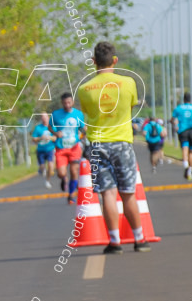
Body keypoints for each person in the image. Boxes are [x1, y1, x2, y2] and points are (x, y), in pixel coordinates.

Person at [77, 42, 150, 254]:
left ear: (93, 62)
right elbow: (129, 106)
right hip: (122, 143)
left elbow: (89, 114)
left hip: (97, 146)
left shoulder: (84, 89)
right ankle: (139, 239)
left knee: (107, 194)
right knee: (128, 193)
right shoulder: (128, 83)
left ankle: (115, 241)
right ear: (115, 60)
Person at [51, 92, 87, 204]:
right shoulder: (56, 114)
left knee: (74, 171)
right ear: (62, 103)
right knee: (61, 173)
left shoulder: (78, 114)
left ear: (72, 102)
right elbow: (50, 127)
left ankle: (71, 195)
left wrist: (86, 134)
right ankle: (64, 179)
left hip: (74, 147)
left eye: (69, 102)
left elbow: (83, 128)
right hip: (61, 148)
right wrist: (56, 134)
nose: (67, 104)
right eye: (65, 102)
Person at [172, 92, 192, 181]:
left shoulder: (178, 108)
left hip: (183, 130)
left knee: (185, 149)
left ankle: (185, 165)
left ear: (184, 99)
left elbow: (173, 119)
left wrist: (175, 125)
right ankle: (189, 170)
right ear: (190, 99)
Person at [31, 112, 56, 189]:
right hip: (41, 150)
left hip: (50, 149)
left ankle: (47, 181)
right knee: (42, 167)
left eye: (45, 117)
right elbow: (34, 139)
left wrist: (50, 138)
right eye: (42, 117)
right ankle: (41, 169)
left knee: (50, 166)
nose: (44, 119)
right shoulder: (38, 128)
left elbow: (56, 138)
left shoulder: (52, 127)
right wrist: (40, 138)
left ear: (48, 118)